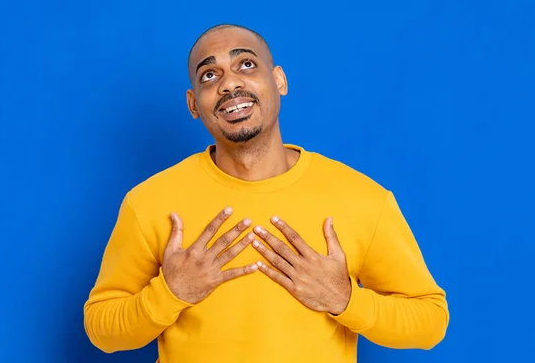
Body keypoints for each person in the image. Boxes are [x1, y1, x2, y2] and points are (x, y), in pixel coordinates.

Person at [83, 24, 449, 362]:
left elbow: (430, 321)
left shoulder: (361, 198)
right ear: (194, 104)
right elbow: (102, 330)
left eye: (246, 64)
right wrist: (170, 293)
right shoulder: (150, 202)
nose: (229, 84)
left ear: (279, 80)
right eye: (210, 75)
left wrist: (346, 300)